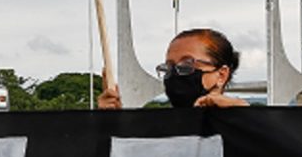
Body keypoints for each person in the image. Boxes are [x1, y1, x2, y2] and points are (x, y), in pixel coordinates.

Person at [98, 28, 249, 110]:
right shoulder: (155, 129)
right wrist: (109, 123)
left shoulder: (245, 128)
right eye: (168, 67)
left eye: (187, 65)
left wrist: (246, 115)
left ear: (221, 75)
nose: (175, 73)